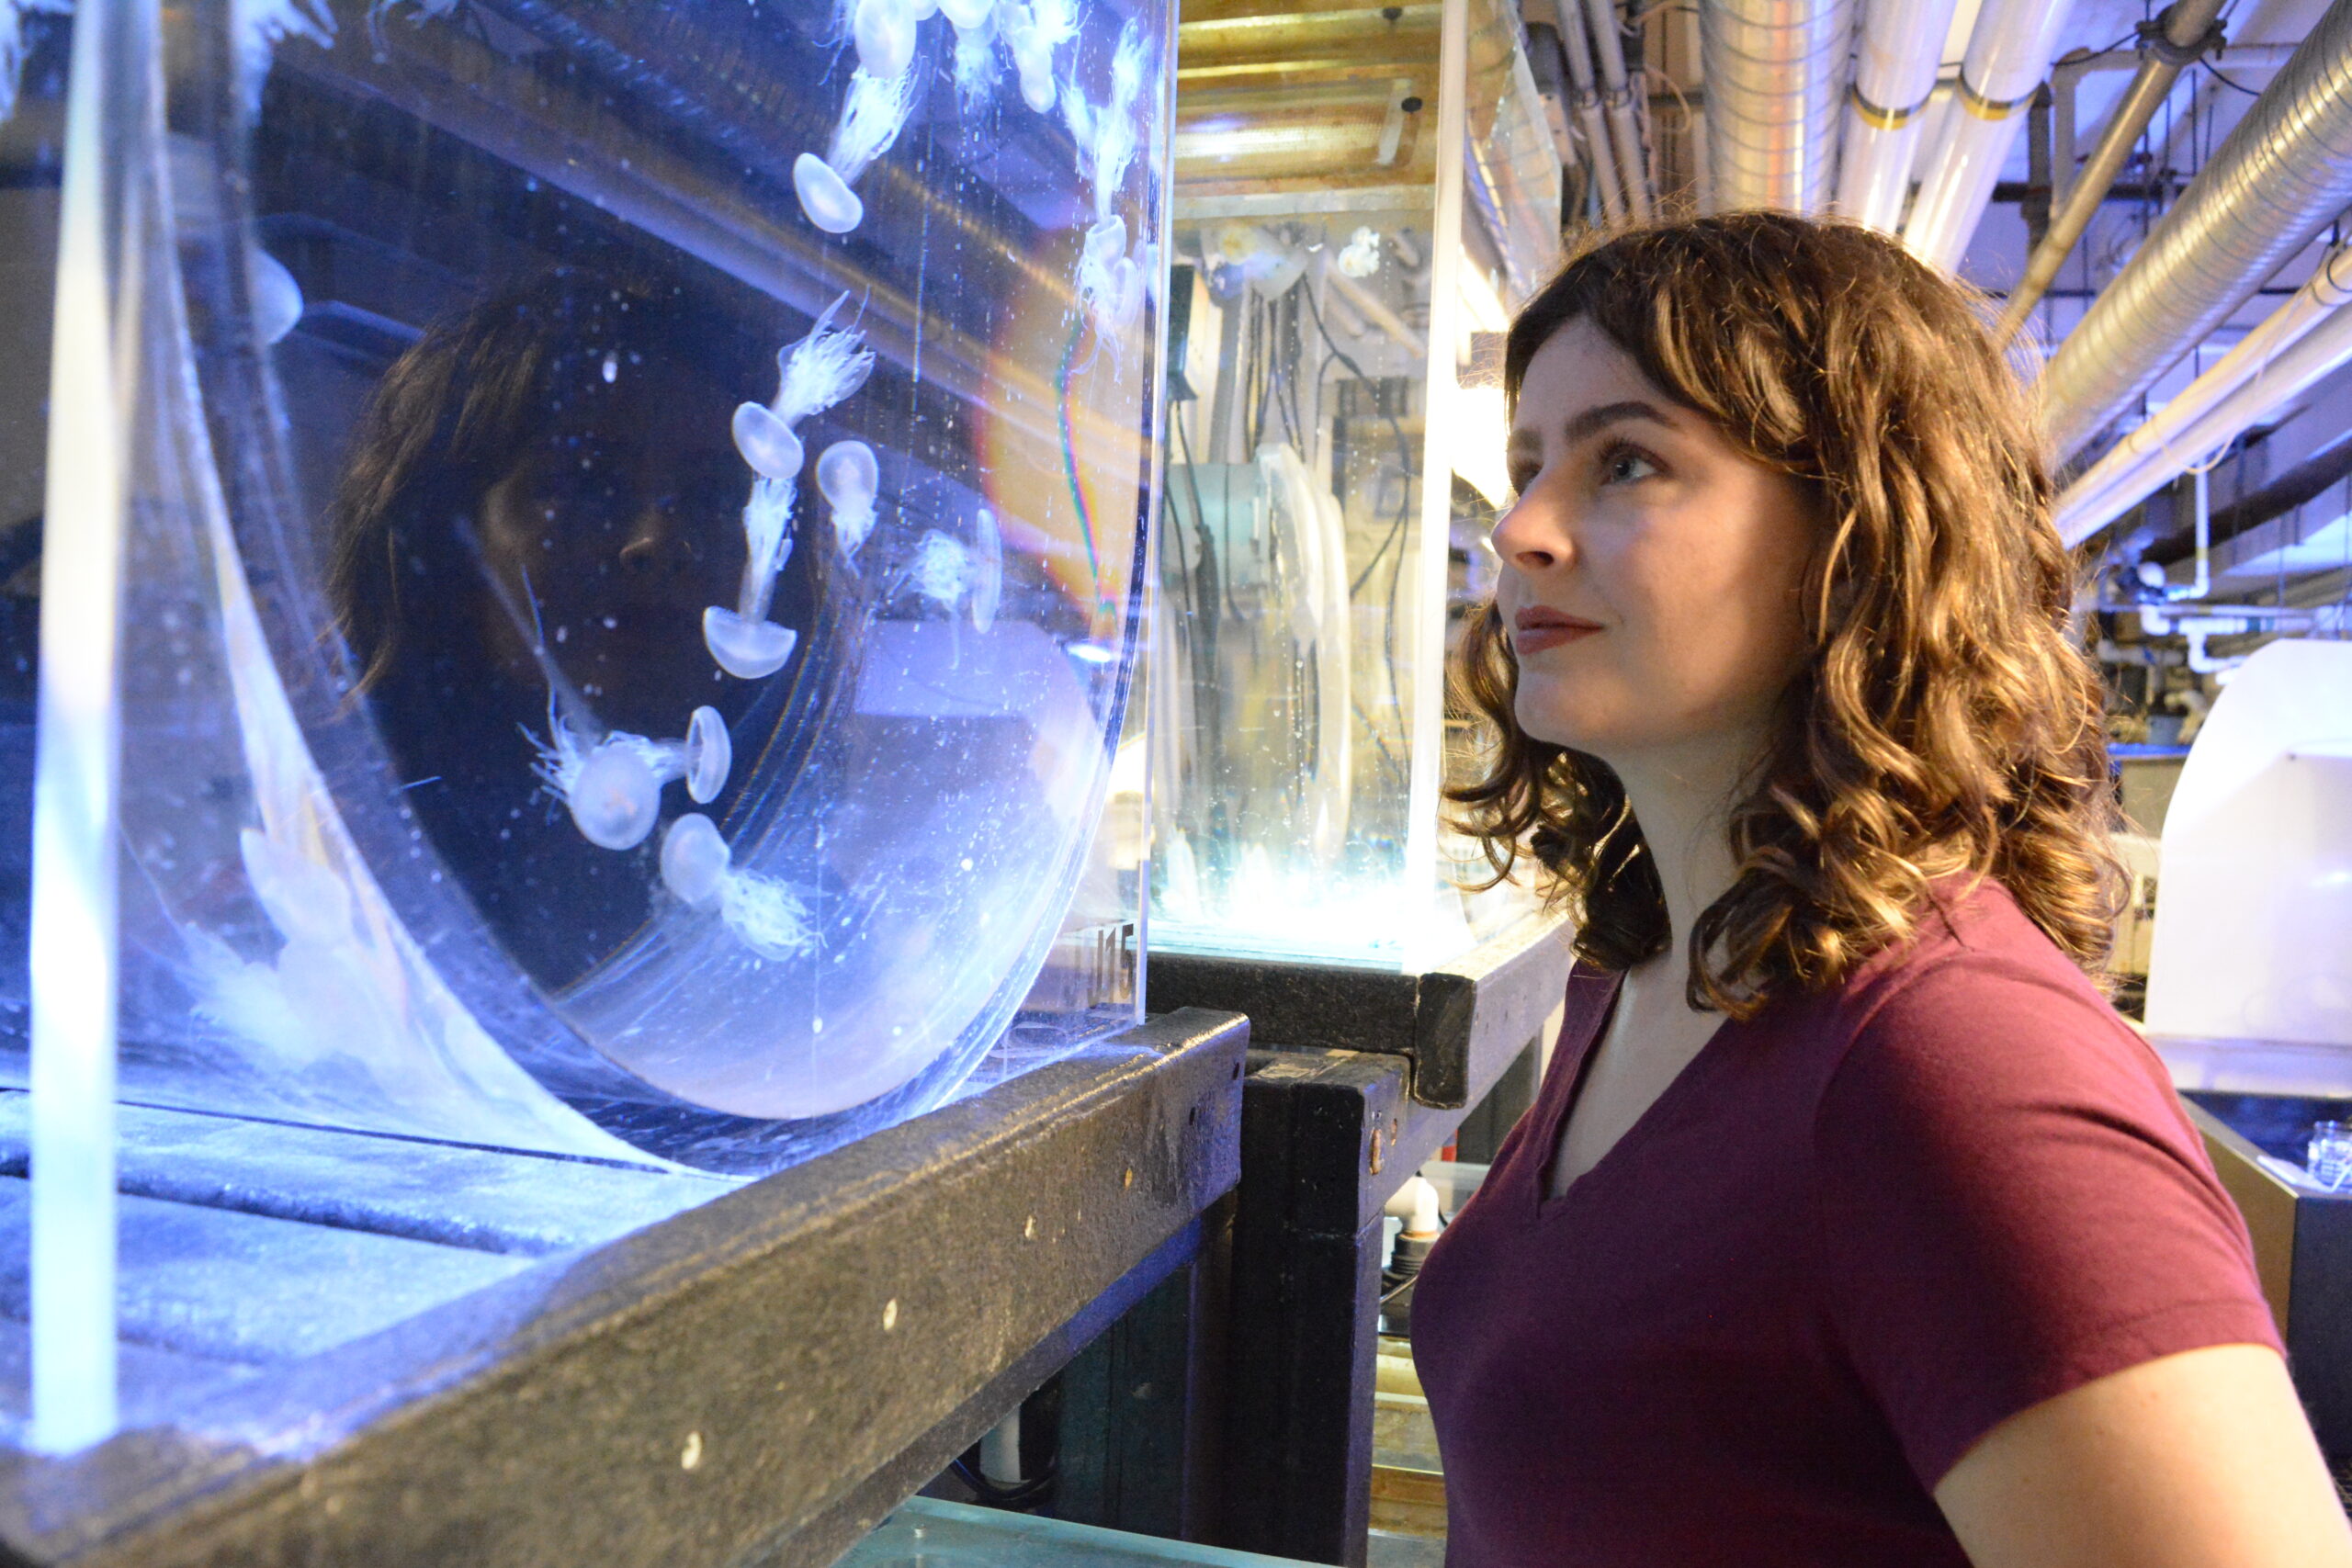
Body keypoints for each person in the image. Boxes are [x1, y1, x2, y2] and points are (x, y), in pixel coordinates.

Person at [1413, 212, 2352, 1567]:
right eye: (1525, 465)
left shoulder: (1958, 1065)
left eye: (1625, 462)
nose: (1521, 529)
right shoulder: (1643, 972)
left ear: (1858, 531)